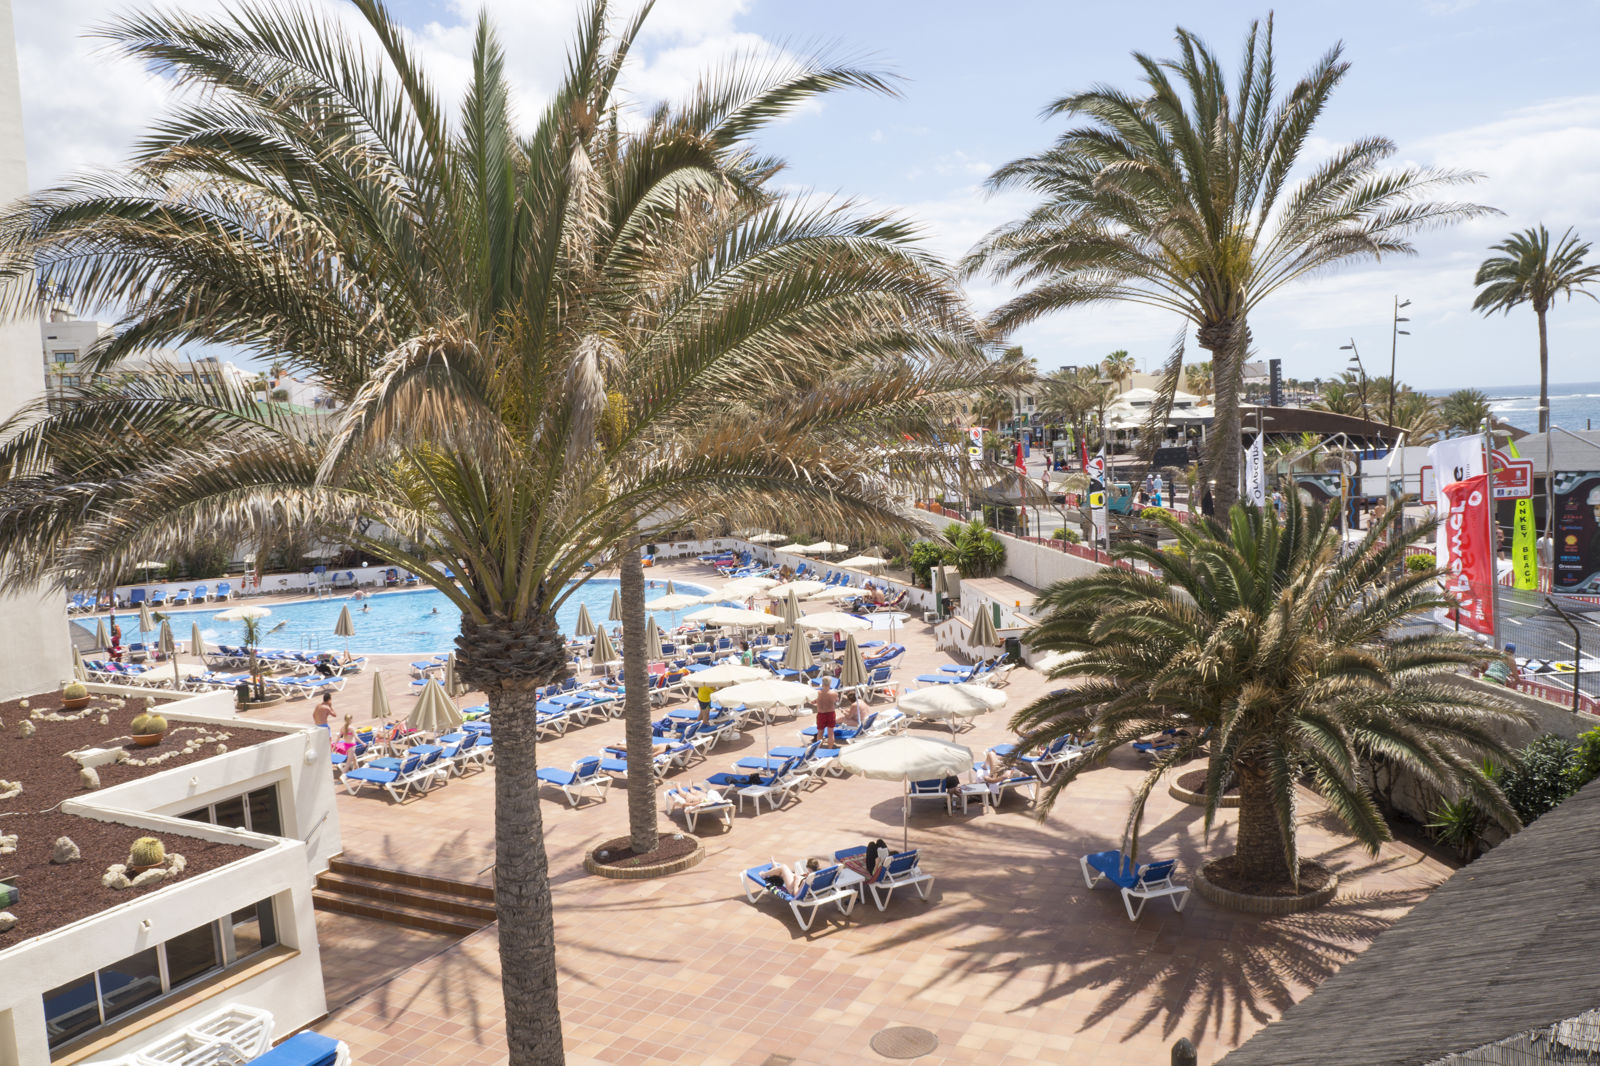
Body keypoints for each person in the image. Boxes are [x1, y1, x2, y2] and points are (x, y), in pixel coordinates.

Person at [759, 858, 824, 895]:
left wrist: (796, 883)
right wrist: (803, 877)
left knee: (783, 867)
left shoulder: (807, 880)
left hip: (793, 889)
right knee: (783, 872)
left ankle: (764, 874)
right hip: (802, 884)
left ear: (809, 868)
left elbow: (796, 894)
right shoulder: (820, 875)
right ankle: (775, 868)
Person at [814, 677, 839, 746]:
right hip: (831, 714)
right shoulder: (834, 693)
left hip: (821, 714)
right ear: (830, 683)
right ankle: (830, 749)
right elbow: (836, 701)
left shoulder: (817, 693)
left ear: (822, 683)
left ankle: (819, 749)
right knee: (831, 733)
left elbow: (813, 702)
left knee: (820, 733)